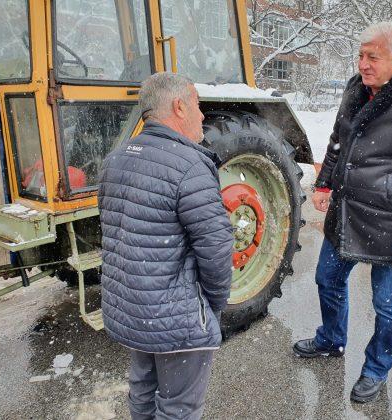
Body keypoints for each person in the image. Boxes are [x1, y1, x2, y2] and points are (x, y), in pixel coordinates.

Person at [293, 22, 392, 403]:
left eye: (373, 57)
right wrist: (324, 183)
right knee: (327, 280)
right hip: (346, 211)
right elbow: (339, 140)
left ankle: (376, 368)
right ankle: (331, 339)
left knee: (387, 306)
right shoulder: (356, 89)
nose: (363, 64)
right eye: (361, 55)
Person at [98, 72, 234, 419]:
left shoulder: (116, 159)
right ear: (178, 106)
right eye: (198, 105)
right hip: (176, 317)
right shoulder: (190, 166)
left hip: (134, 310)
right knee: (178, 408)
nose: (202, 115)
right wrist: (212, 305)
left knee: (143, 393)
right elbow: (216, 248)